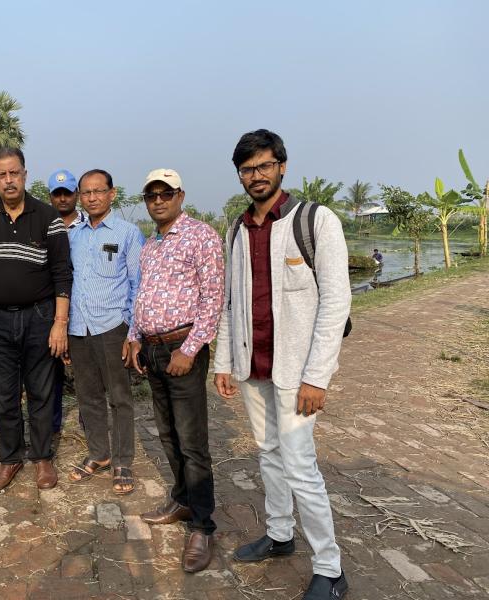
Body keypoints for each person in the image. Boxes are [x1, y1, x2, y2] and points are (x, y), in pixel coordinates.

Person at [214, 129, 350, 600]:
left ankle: (330, 568)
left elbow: (336, 302)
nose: (256, 176)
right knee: (268, 454)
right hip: (254, 366)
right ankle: (278, 534)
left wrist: (318, 376)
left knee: (300, 466)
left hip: (296, 372)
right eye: (247, 169)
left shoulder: (315, 221)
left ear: (282, 166)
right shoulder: (237, 228)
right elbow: (230, 303)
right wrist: (224, 361)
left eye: (264, 166)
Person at [127, 168, 224, 573]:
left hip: (183, 350)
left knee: (192, 442)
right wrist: (134, 336)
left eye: (165, 193)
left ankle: (203, 525)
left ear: (180, 195)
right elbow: (142, 295)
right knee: (167, 433)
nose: (158, 201)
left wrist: (190, 347)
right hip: (152, 350)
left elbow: (213, 298)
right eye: (151, 195)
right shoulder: (150, 245)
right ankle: (182, 499)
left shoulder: (201, 236)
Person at [0, 147, 72, 492]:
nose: (9, 180)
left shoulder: (47, 216)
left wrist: (60, 322)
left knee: (41, 390)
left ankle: (41, 458)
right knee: (4, 395)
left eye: (15, 173)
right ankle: (9, 458)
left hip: (40, 317)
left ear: (25, 174)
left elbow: (61, 273)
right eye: (2, 175)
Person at [66, 169, 144, 494]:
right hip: (77, 328)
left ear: (112, 194)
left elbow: (138, 284)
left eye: (99, 191)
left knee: (120, 397)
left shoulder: (128, 233)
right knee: (88, 396)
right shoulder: (73, 236)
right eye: (86, 192)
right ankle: (99, 454)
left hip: (113, 327)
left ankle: (123, 460)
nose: (93, 197)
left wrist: (133, 332)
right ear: (79, 197)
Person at [46, 169, 84, 434]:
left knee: (85, 369)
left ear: (76, 195)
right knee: (50, 370)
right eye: (57, 194)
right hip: (51, 306)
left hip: (82, 306)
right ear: (50, 197)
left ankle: (88, 421)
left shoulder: (88, 225)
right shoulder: (43, 224)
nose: (62, 199)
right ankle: (52, 423)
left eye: (67, 193)